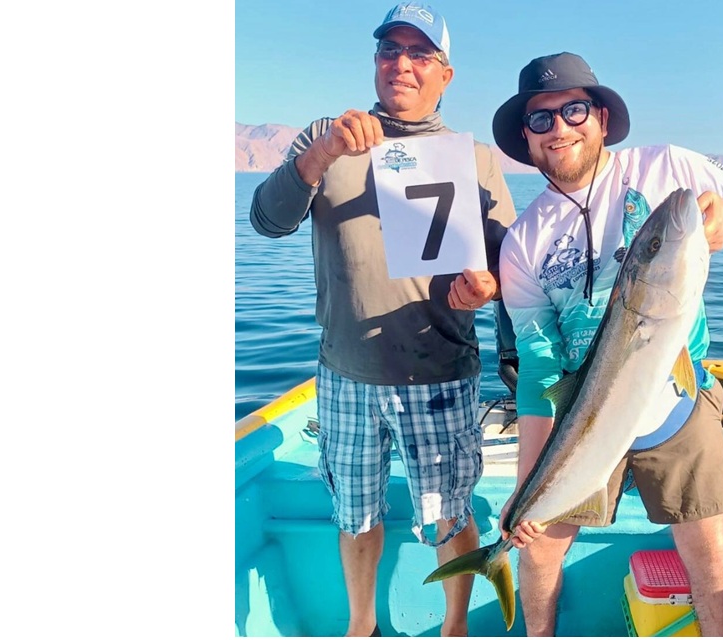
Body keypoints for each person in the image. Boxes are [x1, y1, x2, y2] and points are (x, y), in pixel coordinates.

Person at [491, 52, 723, 636]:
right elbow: (537, 369)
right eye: (541, 119)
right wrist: (526, 487)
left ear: (601, 117)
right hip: (582, 419)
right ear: (527, 138)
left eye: (573, 109)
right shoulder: (522, 242)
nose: (559, 128)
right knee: (538, 549)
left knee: (708, 550)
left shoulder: (668, 170)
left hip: (677, 405)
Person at [248, 3, 517, 636]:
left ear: (445, 75)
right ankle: (361, 626)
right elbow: (267, 219)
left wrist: (486, 286)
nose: (402, 64)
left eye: (420, 54)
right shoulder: (325, 135)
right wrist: (320, 157)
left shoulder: (472, 158)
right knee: (355, 513)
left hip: (442, 373)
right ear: (374, 63)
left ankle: (454, 626)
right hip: (345, 372)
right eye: (389, 50)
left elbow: (507, 265)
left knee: (448, 514)